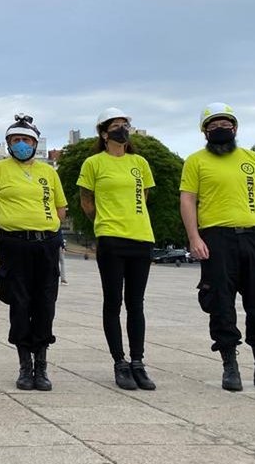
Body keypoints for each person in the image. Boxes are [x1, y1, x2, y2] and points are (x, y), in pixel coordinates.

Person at [180, 103, 255, 393]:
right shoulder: (195, 161)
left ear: (235, 128)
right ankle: (230, 364)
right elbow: (188, 200)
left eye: (225, 124)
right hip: (216, 237)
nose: (220, 129)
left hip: (253, 235)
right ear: (205, 131)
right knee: (220, 301)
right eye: (214, 125)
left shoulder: (253, 159)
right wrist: (194, 237)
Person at [0, 113, 66, 392]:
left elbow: (60, 208)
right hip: (14, 245)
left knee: (45, 302)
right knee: (19, 302)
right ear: (8, 143)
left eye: (26, 140)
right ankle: (25, 365)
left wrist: (49, 228)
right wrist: (6, 227)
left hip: (46, 244)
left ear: (35, 144)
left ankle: (42, 364)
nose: (21, 144)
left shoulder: (48, 172)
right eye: (16, 140)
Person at [77, 108, 157, 391]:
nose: (122, 130)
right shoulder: (93, 163)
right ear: (104, 133)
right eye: (116, 126)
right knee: (113, 302)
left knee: (136, 303)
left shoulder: (140, 163)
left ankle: (138, 362)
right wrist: (104, 221)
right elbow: (86, 200)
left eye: (126, 125)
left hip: (141, 237)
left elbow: (143, 197)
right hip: (111, 237)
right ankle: (119, 362)